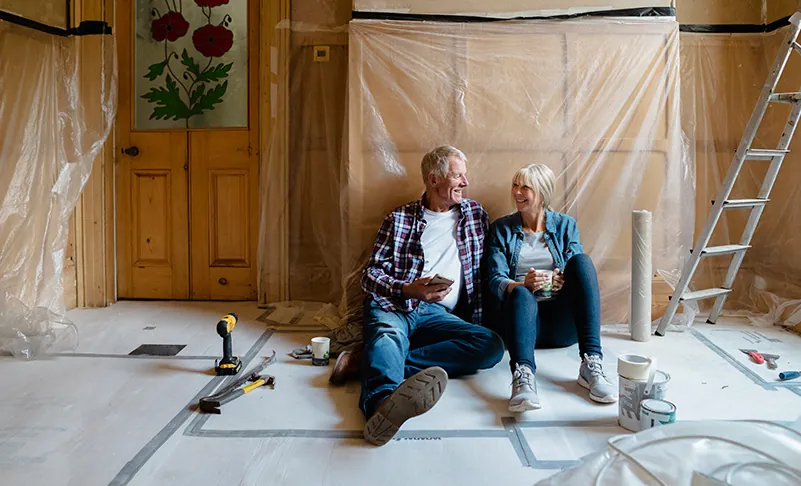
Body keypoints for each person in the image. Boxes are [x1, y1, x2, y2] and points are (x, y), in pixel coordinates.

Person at [331, 145, 504, 446]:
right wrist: (408, 289)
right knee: (387, 336)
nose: (466, 182)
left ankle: (365, 364)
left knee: (491, 345)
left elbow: (497, 257)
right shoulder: (399, 219)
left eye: (465, 176)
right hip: (395, 305)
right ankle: (380, 407)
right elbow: (370, 276)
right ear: (434, 179)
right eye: (458, 176)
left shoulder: (475, 215)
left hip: (438, 316)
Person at [485, 163, 617, 412]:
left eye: (525, 187)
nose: (517, 192)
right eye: (515, 185)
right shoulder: (501, 229)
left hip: (561, 326)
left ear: (543, 193)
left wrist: (561, 279)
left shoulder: (566, 225)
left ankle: (592, 364)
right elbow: (494, 279)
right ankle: (523, 376)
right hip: (520, 324)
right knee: (522, 293)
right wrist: (521, 284)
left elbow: (577, 274)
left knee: (582, 262)